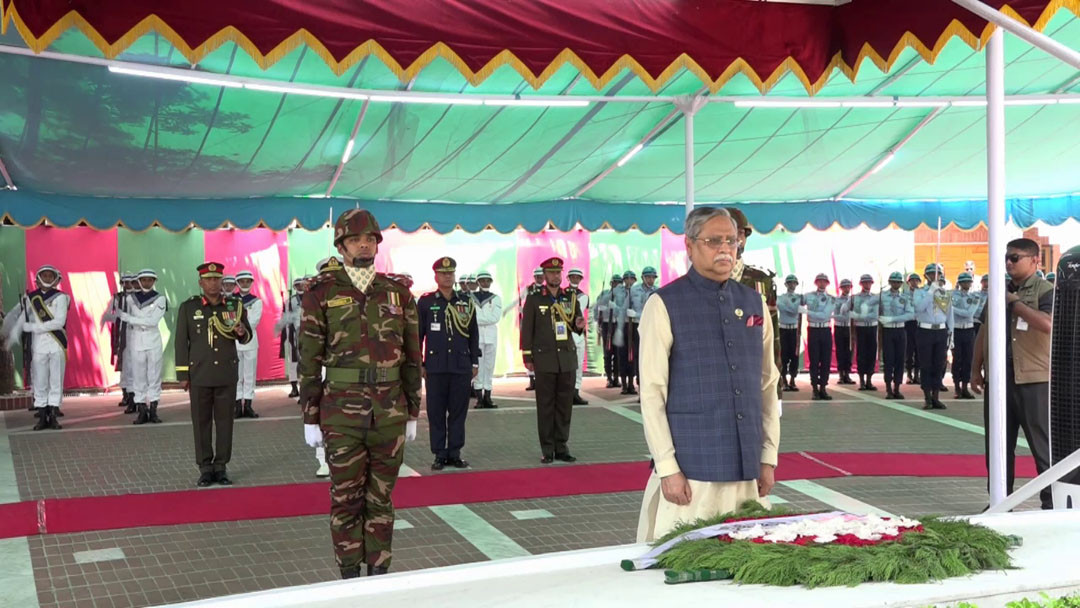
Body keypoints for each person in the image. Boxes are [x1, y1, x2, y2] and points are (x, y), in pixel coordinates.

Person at [636, 207, 780, 542]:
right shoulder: (664, 304)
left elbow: (767, 386)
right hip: (691, 475)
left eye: (731, 240)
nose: (725, 249)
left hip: (747, 471)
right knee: (683, 568)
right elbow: (653, 393)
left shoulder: (754, 303)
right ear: (689, 246)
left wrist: (768, 456)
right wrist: (668, 467)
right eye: (713, 241)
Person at [298, 209, 421, 578]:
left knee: (381, 499)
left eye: (370, 239)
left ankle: (378, 576)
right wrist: (310, 416)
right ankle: (349, 579)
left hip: (389, 412)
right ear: (341, 245)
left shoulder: (397, 293)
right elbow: (308, 360)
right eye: (355, 240)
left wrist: (414, 409)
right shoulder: (320, 294)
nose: (364, 244)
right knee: (346, 500)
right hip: (341, 415)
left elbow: (413, 357)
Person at [972, 238, 1056, 510]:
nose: (1008, 263)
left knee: (1041, 445)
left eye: (1015, 258)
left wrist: (1014, 303)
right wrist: (975, 369)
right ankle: (999, 501)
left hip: (1034, 379)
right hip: (1000, 378)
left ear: (1035, 260)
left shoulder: (1046, 290)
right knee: (997, 445)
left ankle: (1051, 502)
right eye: (1006, 258)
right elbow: (984, 330)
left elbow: (1047, 324)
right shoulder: (999, 290)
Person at [175, 262, 252, 487]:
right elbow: (181, 342)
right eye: (208, 279)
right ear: (201, 283)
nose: (213, 283)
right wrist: (183, 374)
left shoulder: (234, 305)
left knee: (225, 422)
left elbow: (247, 337)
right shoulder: (189, 308)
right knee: (201, 422)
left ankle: (221, 467)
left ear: (222, 282)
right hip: (200, 373)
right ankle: (205, 468)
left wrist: (241, 331)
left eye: (217, 279)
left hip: (226, 373)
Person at [521, 256, 586, 464]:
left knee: (565, 405)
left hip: (566, 358)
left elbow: (575, 327)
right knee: (546, 405)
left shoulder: (570, 297)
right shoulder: (535, 298)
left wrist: (579, 325)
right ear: (544, 275)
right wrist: (528, 356)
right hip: (544, 358)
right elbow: (527, 328)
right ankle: (547, 449)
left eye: (558, 273)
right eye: (551, 273)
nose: (555, 276)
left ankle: (562, 446)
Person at [418, 257, 480, 470]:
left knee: (458, 411)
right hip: (435, 366)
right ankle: (439, 454)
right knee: (436, 412)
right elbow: (419, 335)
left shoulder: (465, 300)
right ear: (436, 276)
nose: (447, 276)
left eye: (451, 273)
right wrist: (420, 363)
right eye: (443, 273)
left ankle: (455, 452)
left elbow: (473, 333)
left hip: (460, 365)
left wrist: (474, 361)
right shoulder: (426, 302)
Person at [2, 265, 70, 430]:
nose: (47, 278)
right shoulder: (31, 298)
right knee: (40, 381)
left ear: (55, 278)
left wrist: (33, 328)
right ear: (38, 279)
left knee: (56, 380)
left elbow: (59, 322)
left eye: (50, 275)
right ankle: (42, 416)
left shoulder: (62, 297)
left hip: (57, 344)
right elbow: (20, 320)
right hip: (39, 345)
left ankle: (53, 415)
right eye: (44, 276)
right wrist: (11, 338)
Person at [728, 207, 782, 400]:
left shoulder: (762, 280)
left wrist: (777, 391)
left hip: (753, 374)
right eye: (731, 232)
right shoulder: (707, 280)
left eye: (741, 233)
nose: (737, 238)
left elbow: (773, 338)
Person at [119, 269, 168, 425]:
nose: (147, 282)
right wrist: (138, 319)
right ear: (138, 281)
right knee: (138, 376)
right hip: (137, 340)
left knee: (154, 376)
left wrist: (129, 318)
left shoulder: (160, 298)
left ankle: (153, 410)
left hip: (153, 339)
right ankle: (141, 410)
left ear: (154, 281)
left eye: (150, 280)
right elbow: (147, 319)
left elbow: (153, 322)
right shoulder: (130, 299)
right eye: (144, 280)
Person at [914, 263, 953, 410]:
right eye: (931, 274)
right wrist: (930, 292)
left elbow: (949, 315)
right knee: (926, 364)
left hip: (941, 331)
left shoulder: (944, 293)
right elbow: (919, 308)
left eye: (937, 274)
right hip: (925, 331)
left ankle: (936, 397)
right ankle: (927, 397)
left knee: (939, 364)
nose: (934, 277)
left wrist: (951, 333)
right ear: (925, 276)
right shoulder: (920, 292)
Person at [103, 273, 137, 413]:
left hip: (136, 334)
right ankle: (127, 396)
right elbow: (109, 314)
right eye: (125, 282)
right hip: (122, 334)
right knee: (125, 366)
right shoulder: (117, 297)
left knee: (136, 368)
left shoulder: (139, 297)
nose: (128, 285)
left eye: (131, 282)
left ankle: (137, 399)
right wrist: (115, 316)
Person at [878, 272, 914, 400]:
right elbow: (874, 310)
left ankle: (897, 388)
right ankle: (888, 388)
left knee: (900, 360)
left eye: (898, 282)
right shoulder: (882, 296)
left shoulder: (904, 298)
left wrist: (892, 319)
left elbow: (911, 314)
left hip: (900, 330)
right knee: (889, 360)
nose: (896, 284)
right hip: (887, 331)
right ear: (889, 282)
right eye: (894, 281)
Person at [234, 270, 263, 418]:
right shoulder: (230, 300)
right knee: (236, 376)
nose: (245, 284)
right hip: (233, 341)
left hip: (250, 341)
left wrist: (241, 327)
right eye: (242, 281)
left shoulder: (256, 301)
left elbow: (254, 321)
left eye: (248, 281)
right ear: (237, 283)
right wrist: (235, 328)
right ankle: (238, 405)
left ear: (251, 283)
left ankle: (249, 405)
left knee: (250, 375)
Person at [473, 271, 502, 409]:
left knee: (489, 366)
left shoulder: (496, 298)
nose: (485, 283)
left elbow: (495, 318)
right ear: (478, 282)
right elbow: (470, 318)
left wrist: (478, 320)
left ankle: (488, 396)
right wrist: (483, 321)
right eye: (482, 280)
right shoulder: (471, 298)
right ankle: (479, 398)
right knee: (478, 366)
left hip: (491, 336)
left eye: (487, 281)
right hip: (476, 336)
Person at [275, 276, 307, 401]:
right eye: (297, 285)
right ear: (294, 287)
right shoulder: (290, 301)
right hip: (292, 334)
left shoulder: (311, 298)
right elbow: (285, 319)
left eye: (302, 284)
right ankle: (294, 387)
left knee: (306, 363)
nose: (300, 287)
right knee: (293, 362)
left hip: (308, 334)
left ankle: (305, 389)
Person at [805, 273, 835, 401]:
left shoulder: (831, 299)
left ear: (827, 283)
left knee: (825, 360)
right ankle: (814, 389)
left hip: (825, 329)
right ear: (816, 282)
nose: (822, 283)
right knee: (814, 360)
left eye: (824, 281)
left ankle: (823, 387)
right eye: (820, 281)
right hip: (813, 329)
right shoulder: (808, 296)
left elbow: (824, 315)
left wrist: (807, 312)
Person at [950, 272, 978, 400]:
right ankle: (956, 386)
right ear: (959, 283)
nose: (966, 284)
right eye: (964, 282)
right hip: (956, 330)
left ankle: (965, 387)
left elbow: (969, 313)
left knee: (968, 359)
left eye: (968, 282)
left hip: (968, 330)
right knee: (957, 359)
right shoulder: (951, 295)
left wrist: (952, 309)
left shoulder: (974, 297)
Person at [565, 268, 590, 405]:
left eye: (578, 277)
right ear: (568, 278)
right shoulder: (563, 294)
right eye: (572, 277)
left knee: (579, 364)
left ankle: (576, 391)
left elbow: (579, 313)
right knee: (567, 364)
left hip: (578, 333)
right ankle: (567, 392)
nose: (575, 279)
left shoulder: (583, 296)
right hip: (567, 332)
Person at [592, 274, 622, 388]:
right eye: (615, 283)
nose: (617, 285)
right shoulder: (604, 294)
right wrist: (597, 321)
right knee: (608, 352)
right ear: (611, 283)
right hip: (606, 324)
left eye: (619, 283)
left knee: (618, 354)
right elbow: (596, 308)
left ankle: (616, 378)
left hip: (617, 324)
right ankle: (609, 378)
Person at [850, 274, 879, 391]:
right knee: (861, 354)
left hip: (872, 327)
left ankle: (869, 380)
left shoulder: (876, 297)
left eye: (869, 283)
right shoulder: (854, 298)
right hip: (860, 328)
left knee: (871, 353)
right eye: (865, 283)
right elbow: (850, 312)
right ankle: (861, 380)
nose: (867, 285)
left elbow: (875, 314)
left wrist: (859, 315)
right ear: (861, 284)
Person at [519, 268, 545, 391]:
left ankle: (540, 379)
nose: (539, 278)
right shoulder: (529, 289)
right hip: (529, 321)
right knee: (527, 348)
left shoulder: (547, 290)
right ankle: (531, 379)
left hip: (541, 323)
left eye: (541, 276)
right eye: (537, 276)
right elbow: (519, 301)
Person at [776, 275, 802, 392]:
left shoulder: (799, 298)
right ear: (786, 284)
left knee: (794, 356)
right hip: (784, 329)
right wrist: (792, 308)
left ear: (796, 284)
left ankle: (792, 379)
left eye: (794, 283)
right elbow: (781, 307)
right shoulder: (781, 297)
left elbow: (796, 311)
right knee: (784, 355)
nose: (792, 285)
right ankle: (784, 380)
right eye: (789, 283)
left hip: (795, 330)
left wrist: (790, 308)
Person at [833, 278, 856, 386]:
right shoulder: (836, 300)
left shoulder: (854, 299)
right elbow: (837, 313)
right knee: (840, 351)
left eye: (848, 287)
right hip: (839, 327)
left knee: (849, 351)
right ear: (841, 288)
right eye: (844, 287)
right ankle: (841, 374)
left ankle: (847, 373)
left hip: (849, 327)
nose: (846, 289)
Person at [904, 272, 922, 385]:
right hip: (909, 324)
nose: (914, 282)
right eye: (912, 280)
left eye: (916, 280)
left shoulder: (922, 293)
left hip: (920, 323)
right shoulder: (904, 294)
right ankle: (909, 374)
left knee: (919, 350)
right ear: (908, 282)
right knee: (909, 350)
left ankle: (917, 374)